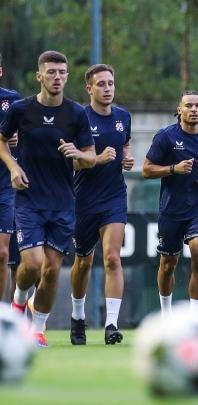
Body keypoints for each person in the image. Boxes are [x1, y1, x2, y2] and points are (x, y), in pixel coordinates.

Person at [0, 50, 96, 347]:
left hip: (63, 203)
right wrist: (13, 166)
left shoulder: (76, 113)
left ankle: (38, 329)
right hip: (29, 200)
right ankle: (18, 301)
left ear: (67, 77)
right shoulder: (20, 109)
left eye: (62, 72)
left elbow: (91, 157)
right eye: (51, 72)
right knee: (33, 263)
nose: (57, 77)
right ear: (39, 76)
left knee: (52, 270)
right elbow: (2, 141)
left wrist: (77, 153)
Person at [68, 64, 134, 346]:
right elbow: (71, 162)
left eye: (111, 83)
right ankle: (78, 316)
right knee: (83, 261)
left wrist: (127, 157)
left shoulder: (123, 117)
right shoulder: (79, 118)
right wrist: (96, 159)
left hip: (114, 196)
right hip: (83, 198)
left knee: (112, 258)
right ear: (89, 88)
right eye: (101, 84)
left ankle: (111, 324)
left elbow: (125, 144)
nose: (107, 89)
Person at [142, 91, 198, 315]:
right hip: (171, 209)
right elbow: (146, 169)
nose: (194, 109)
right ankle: (166, 316)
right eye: (189, 106)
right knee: (168, 264)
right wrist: (173, 169)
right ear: (179, 110)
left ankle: (195, 317)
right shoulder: (165, 137)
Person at [0, 52, 22, 301]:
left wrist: (18, 138)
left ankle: (8, 314)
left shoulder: (12, 101)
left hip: (6, 186)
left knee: (6, 255)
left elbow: (30, 133)